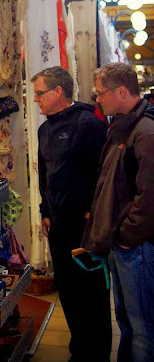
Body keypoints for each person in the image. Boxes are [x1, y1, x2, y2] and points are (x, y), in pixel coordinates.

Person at [32, 66, 111, 362]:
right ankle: (79, 351)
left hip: (85, 227)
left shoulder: (88, 123)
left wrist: (93, 212)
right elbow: (45, 175)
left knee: (91, 293)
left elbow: (104, 174)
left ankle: (96, 354)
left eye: (40, 93)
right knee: (68, 291)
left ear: (58, 92)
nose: (36, 99)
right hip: (58, 226)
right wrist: (45, 210)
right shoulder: (44, 130)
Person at [82, 63, 154, 362]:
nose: (98, 99)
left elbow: (149, 197)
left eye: (101, 93)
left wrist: (127, 236)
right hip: (123, 243)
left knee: (142, 327)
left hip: (136, 246)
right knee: (127, 321)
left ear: (121, 92)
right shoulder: (124, 126)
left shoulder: (145, 132)